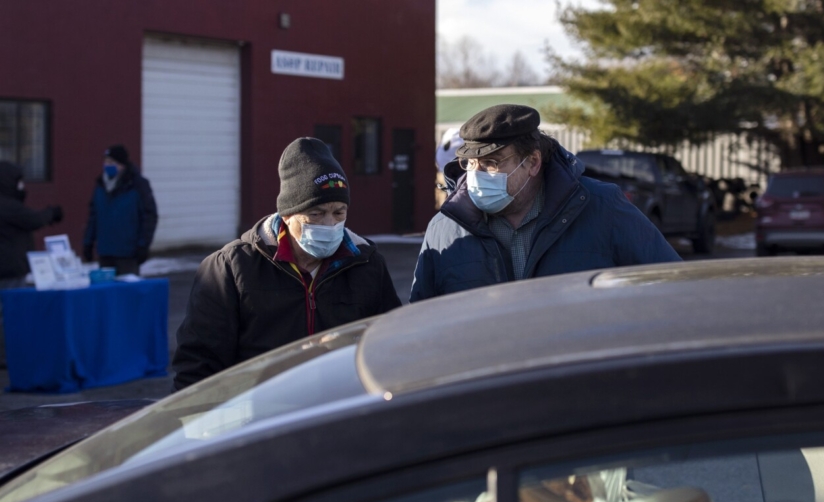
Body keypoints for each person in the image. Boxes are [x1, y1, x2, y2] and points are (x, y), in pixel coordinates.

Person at [172, 137, 402, 390]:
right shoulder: (232, 268)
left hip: (341, 406)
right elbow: (198, 364)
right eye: (315, 214)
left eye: (339, 212)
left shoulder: (366, 264)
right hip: (262, 409)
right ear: (287, 214)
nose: (329, 224)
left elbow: (389, 345)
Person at [410, 104, 681, 302]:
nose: (476, 175)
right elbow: (420, 324)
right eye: (470, 163)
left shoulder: (602, 207)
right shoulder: (445, 228)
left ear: (533, 162)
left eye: (491, 163)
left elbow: (673, 286)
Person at [0, 161, 63, 366]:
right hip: (9, 269)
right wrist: (52, 213)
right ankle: (6, 355)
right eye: (19, 182)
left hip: (8, 267)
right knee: (9, 314)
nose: (22, 186)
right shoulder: (8, 206)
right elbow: (32, 219)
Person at [83, 145, 158, 275]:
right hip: (105, 253)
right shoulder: (100, 186)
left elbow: (149, 216)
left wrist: (143, 244)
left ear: (122, 165)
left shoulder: (137, 185)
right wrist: (88, 242)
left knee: (127, 287)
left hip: (128, 254)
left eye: (111, 162)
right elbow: (93, 217)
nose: (107, 165)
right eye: (106, 162)